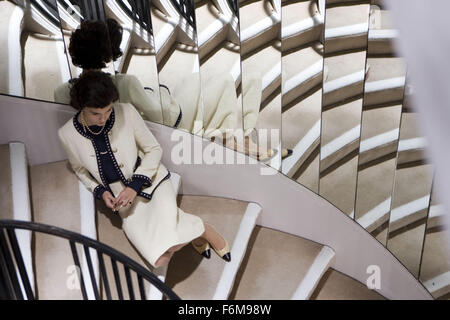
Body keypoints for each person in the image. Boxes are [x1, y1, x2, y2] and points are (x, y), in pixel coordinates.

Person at [58, 71, 231, 268]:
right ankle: (198, 230)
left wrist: (134, 186)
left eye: (107, 111)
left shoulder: (126, 111)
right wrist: (101, 192)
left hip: (152, 181)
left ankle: (205, 230)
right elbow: (80, 170)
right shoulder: (67, 134)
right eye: (95, 114)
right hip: (122, 201)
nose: (103, 118)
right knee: (159, 260)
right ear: (81, 107)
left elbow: (154, 149)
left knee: (172, 244)